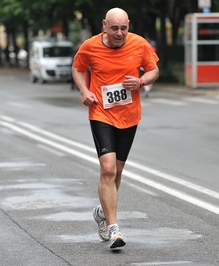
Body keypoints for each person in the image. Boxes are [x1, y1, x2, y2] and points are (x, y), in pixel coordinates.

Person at [71, 7, 159, 249]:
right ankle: (114, 229)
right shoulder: (90, 46)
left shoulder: (139, 44)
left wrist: (141, 81)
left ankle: (102, 211)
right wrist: (85, 90)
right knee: (108, 169)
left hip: (129, 116)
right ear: (104, 26)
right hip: (101, 113)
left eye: (123, 28)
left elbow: (154, 70)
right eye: (114, 28)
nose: (119, 33)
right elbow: (78, 68)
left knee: (117, 172)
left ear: (128, 25)